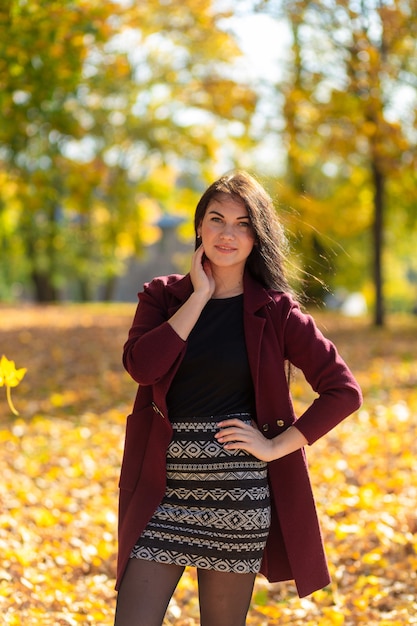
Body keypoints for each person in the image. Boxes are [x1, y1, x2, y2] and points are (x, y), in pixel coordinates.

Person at [114, 170, 362, 626]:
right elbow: (142, 368)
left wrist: (274, 446)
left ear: (256, 236)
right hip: (162, 493)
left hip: (236, 496)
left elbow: (343, 391)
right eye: (217, 219)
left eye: (243, 223)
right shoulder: (162, 296)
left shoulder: (277, 311)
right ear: (199, 228)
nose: (228, 233)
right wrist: (200, 296)